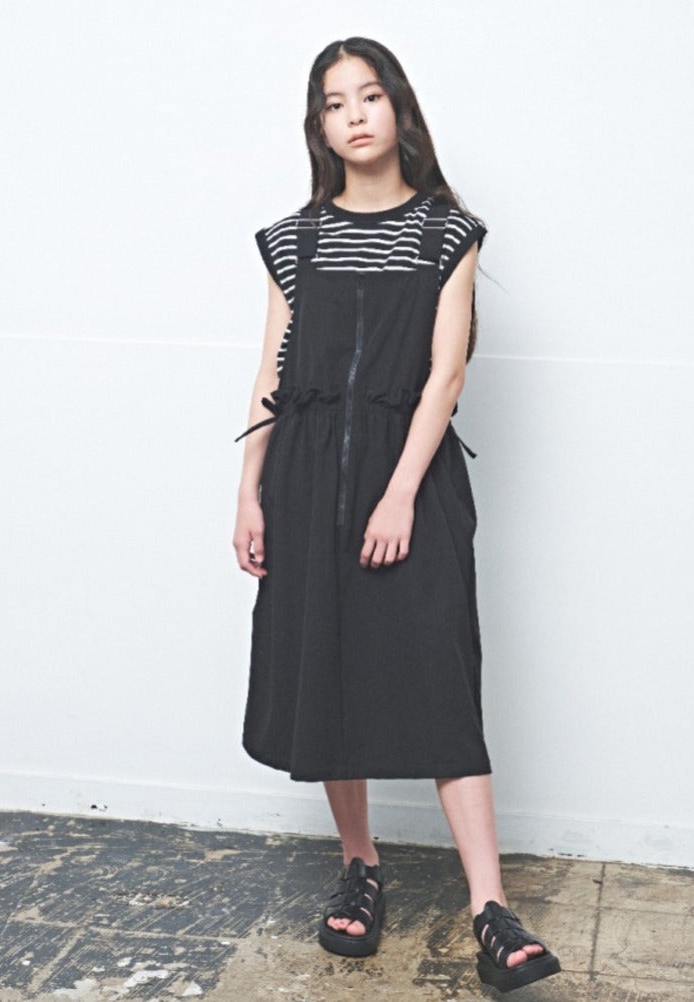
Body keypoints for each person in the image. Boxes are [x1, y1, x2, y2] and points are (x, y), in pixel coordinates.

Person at [231, 37, 561, 993]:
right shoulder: (292, 240)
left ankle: (490, 906)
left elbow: (445, 376)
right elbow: (272, 371)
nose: (355, 116)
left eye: (369, 96)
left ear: (398, 109)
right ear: (319, 127)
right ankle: (360, 867)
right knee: (327, 667)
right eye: (335, 104)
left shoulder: (446, 232)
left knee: (439, 676)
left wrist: (402, 491)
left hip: (408, 479)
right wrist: (248, 490)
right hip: (303, 481)